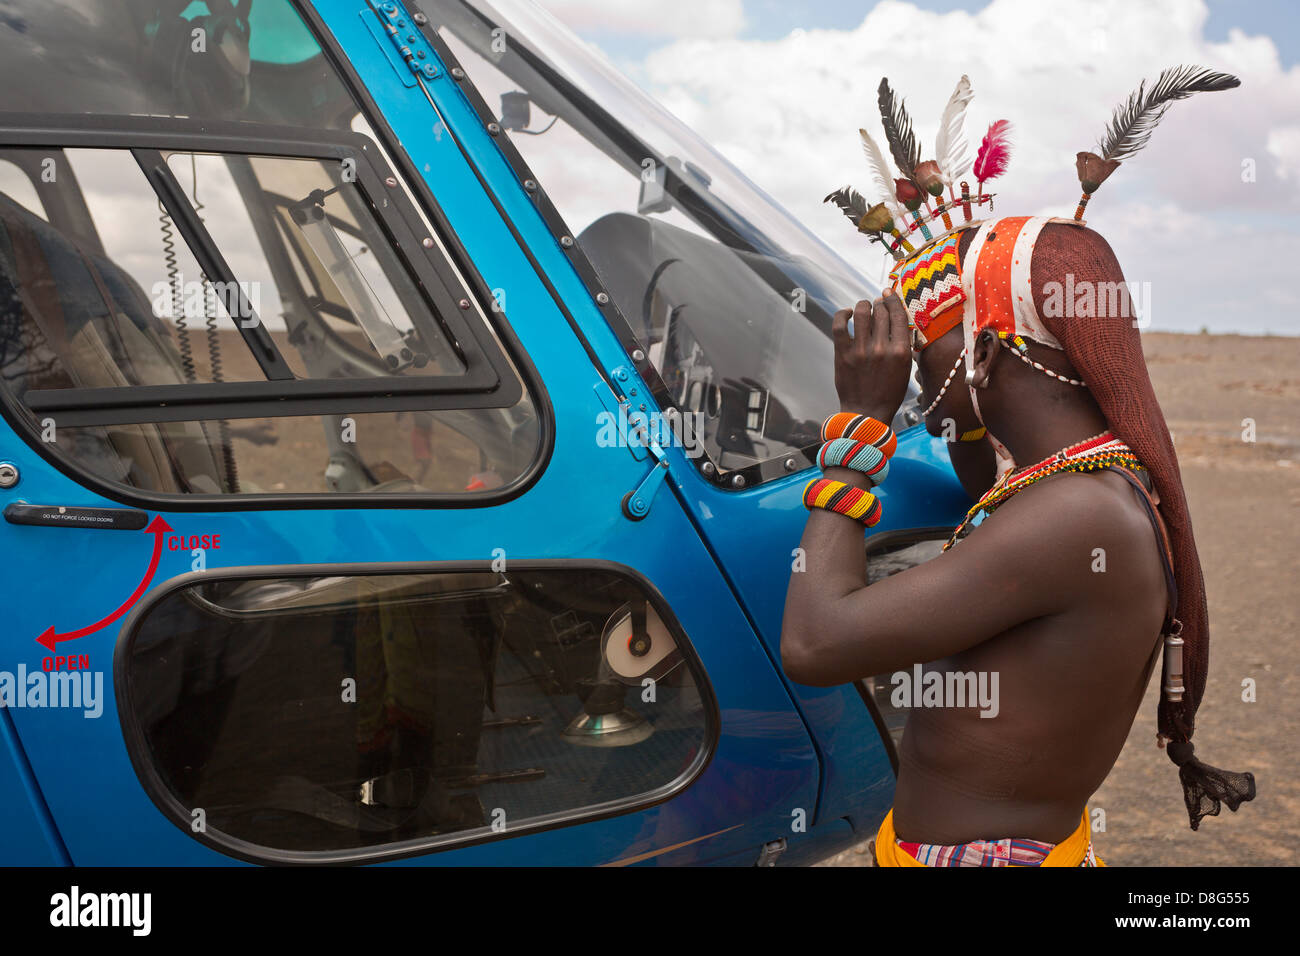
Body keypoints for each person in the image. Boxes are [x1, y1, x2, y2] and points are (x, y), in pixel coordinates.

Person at [786, 70, 1255, 866]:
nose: (900, 355)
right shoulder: (1074, 489)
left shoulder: (1077, 517)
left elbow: (817, 644)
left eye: (923, 333)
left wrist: (859, 425)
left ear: (990, 347)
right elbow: (988, 485)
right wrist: (965, 404)